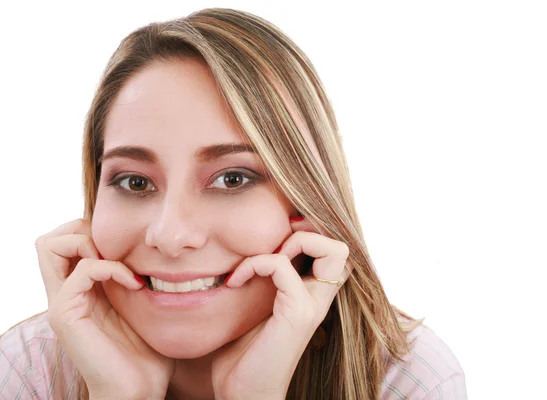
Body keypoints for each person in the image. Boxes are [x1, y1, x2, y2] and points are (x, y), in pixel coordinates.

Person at [0, 7, 467, 400]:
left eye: (232, 178)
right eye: (136, 182)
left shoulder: (405, 379)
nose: (170, 234)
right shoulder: (28, 370)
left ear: (309, 205)